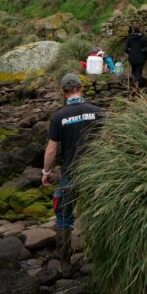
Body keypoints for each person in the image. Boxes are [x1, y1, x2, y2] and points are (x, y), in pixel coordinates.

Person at [41, 73, 104, 257]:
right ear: (80, 88)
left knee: (63, 216)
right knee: (97, 213)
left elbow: (51, 150)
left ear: (63, 91)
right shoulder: (98, 111)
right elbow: (110, 139)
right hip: (95, 172)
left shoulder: (59, 116)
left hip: (70, 173)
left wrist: (46, 171)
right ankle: (100, 256)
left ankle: (64, 263)